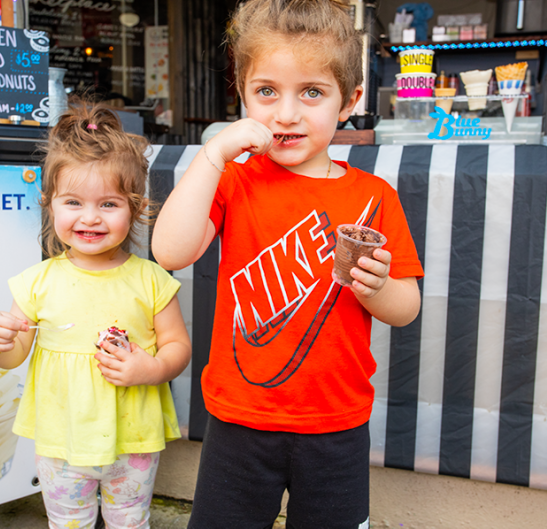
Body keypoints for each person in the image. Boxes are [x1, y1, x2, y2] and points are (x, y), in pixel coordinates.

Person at [151, 1, 424, 527]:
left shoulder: (376, 196)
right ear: (243, 96)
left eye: (313, 93)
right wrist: (213, 156)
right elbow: (171, 251)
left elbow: (405, 309)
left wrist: (377, 286)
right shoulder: (236, 179)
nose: (286, 114)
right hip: (238, 420)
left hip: (337, 423)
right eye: (267, 91)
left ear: (350, 101)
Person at [0, 99, 192, 529]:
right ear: (50, 204)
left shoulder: (150, 279)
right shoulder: (37, 281)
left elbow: (178, 347)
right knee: (67, 523)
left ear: (134, 205)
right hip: (61, 438)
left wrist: (149, 368)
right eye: (73, 202)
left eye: (109, 204)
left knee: (130, 521)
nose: (90, 218)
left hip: (132, 438)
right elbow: (13, 355)